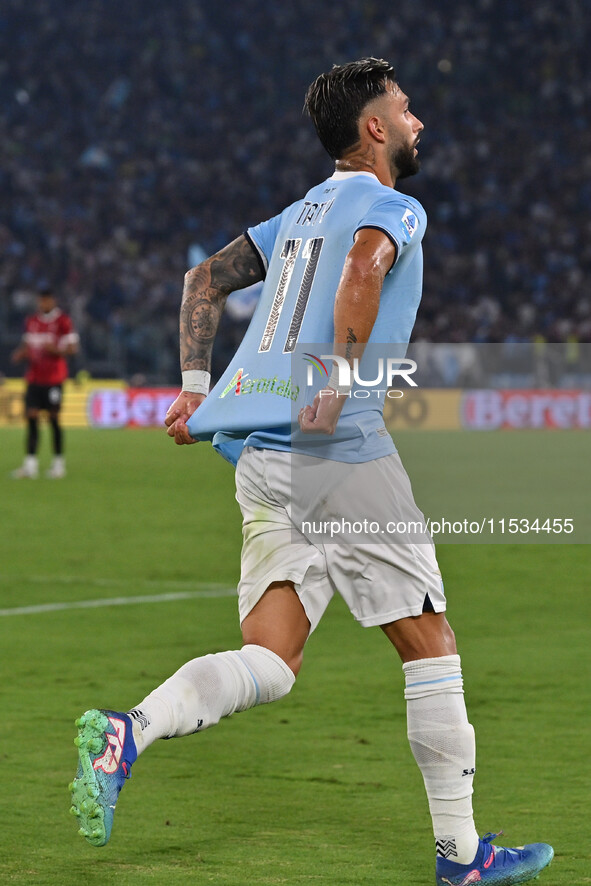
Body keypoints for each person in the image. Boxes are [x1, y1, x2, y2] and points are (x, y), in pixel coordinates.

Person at [69, 59, 553, 885]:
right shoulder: (393, 207)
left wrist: (194, 391)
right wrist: (335, 380)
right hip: (340, 454)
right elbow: (366, 266)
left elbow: (203, 280)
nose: (417, 123)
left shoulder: (299, 213)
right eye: (405, 109)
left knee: (271, 659)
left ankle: (129, 731)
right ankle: (461, 857)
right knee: (428, 643)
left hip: (265, 459)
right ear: (374, 128)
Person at [10, 287, 79, 479]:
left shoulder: (63, 322)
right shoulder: (31, 321)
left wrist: (56, 350)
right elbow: (27, 345)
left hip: (54, 379)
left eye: (47, 300)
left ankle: (58, 464)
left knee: (53, 418)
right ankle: (30, 465)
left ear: (53, 301)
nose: (43, 304)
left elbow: (73, 349)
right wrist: (20, 354)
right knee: (31, 417)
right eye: (41, 300)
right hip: (34, 378)